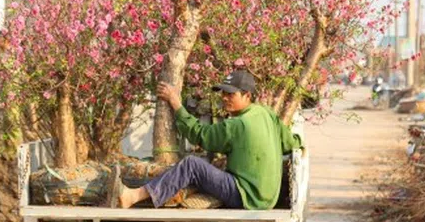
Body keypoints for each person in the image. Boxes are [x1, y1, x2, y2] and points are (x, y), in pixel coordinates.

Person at [107, 70, 302, 210]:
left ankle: (133, 196)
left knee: (192, 165)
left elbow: (199, 135)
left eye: (230, 94)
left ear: (247, 95)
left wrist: (176, 104)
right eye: (223, 93)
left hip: (245, 195)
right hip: (268, 198)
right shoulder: (267, 114)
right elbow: (291, 143)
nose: (224, 98)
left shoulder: (236, 125)